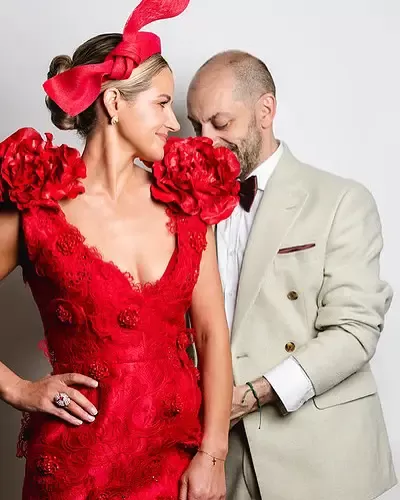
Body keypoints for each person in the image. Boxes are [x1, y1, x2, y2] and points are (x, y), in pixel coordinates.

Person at [0, 1, 238, 498]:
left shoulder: (187, 200)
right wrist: (18, 388)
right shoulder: (36, 203)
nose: (173, 123)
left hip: (177, 466)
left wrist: (213, 455)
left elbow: (212, 333)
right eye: (162, 103)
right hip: (75, 470)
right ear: (113, 103)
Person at [187, 50, 396, 500]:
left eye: (221, 124)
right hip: (218, 455)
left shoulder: (342, 200)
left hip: (319, 454)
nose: (205, 142)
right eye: (196, 126)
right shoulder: (187, 207)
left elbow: (356, 330)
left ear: (265, 111)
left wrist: (255, 393)